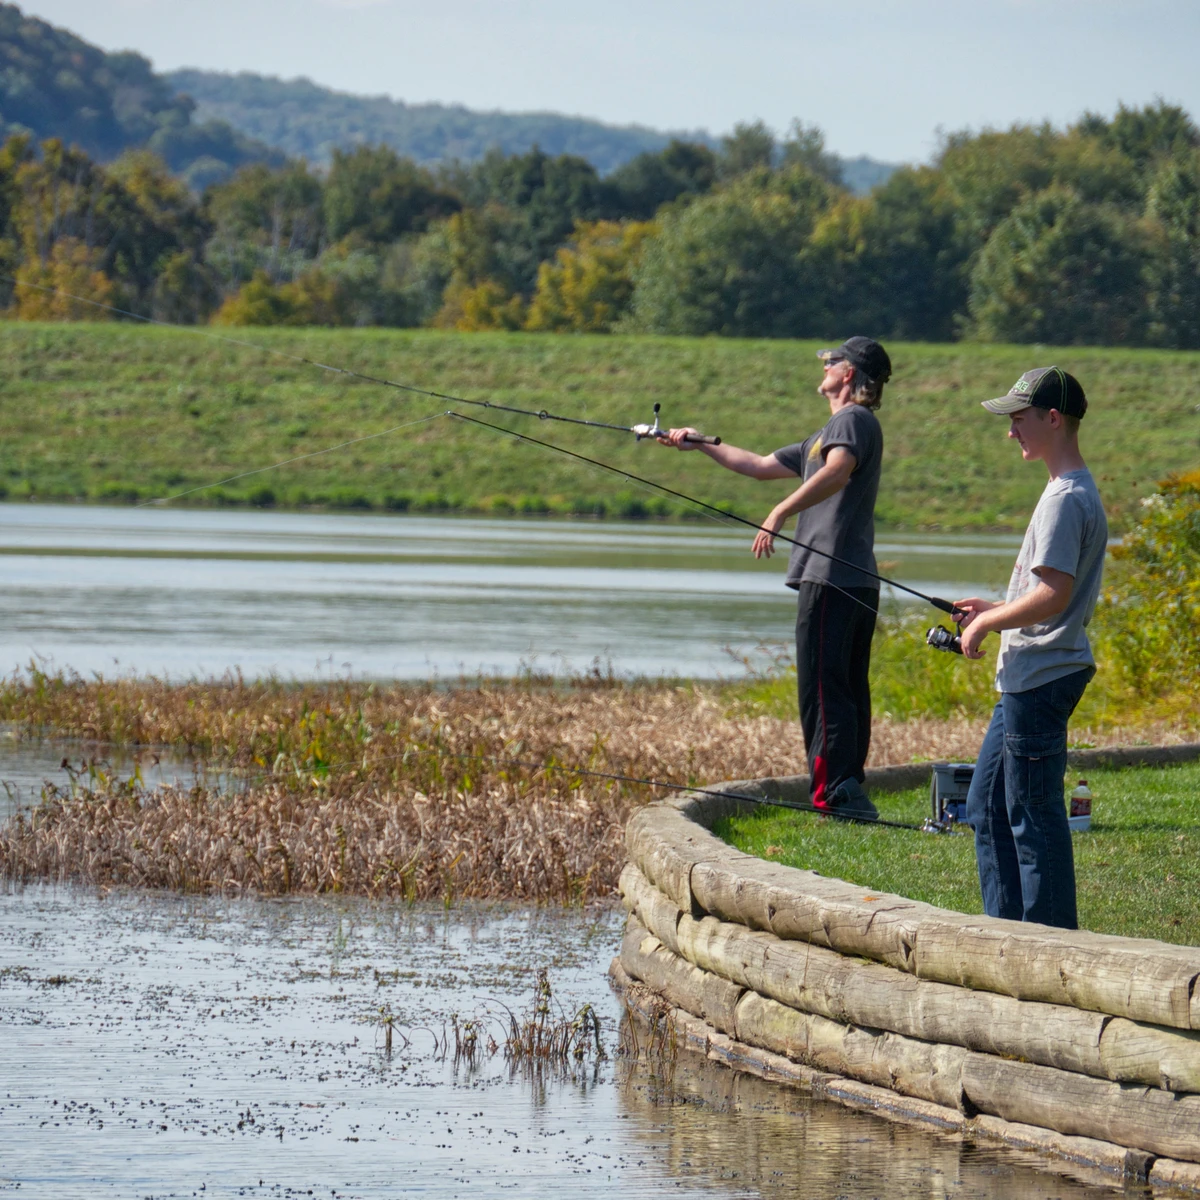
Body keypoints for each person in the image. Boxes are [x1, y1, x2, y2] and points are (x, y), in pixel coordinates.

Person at [660, 336, 891, 819]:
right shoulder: (828, 432)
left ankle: (832, 792)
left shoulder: (851, 422)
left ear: (848, 374)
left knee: (823, 688)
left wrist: (781, 511)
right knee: (844, 686)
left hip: (832, 576)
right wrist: (699, 442)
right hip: (852, 579)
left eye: (831, 361)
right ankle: (846, 787)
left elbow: (839, 470)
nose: (824, 367)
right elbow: (761, 466)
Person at [953, 367, 1107, 929]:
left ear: (1053, 418)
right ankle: (1007, 935)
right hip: (1028, 676)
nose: (1011, 431)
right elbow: (1043, 592)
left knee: (1033, 815)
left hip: (1041, 676)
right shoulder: (1063, 491)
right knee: (987, 807)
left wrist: (990, 621)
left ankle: (1049, 947)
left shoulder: (1066, 499)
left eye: (1018, 420)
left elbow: (1052, 594)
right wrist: (992, 608)